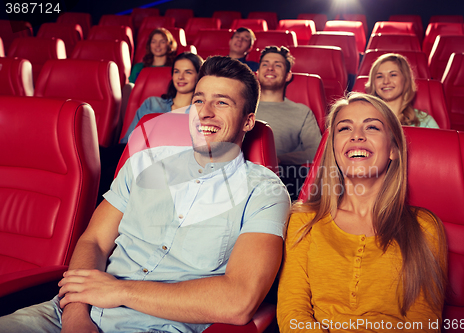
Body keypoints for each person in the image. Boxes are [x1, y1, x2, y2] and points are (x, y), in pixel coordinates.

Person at [0, 56, 290, 333]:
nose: (204, 111)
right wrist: (75, 314)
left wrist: (119, 291)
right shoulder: (144, 162)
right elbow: (95, 242)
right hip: (67, 313)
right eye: (199, 100)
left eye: (222, 102)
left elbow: (238, 300)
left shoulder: (265, 191)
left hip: (160, 325)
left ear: (248, 121)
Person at [277, 93, 447, 332]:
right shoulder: (304, 220)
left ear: (393, 150)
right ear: (333, 150)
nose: (357, 136)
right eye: (344, 128)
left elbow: (424, 321)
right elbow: (292, 313)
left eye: (372, 127)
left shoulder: (424, 227)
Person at [255, 46, 322, 166]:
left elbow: (317, 150)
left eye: (278, 65)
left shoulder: (301, 112)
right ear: (257, 73)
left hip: (282, 175)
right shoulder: (242, 107)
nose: (270, 68)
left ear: (287, 75)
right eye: (265, 64)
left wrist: (278, 159)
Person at [121, 52, 203, 144]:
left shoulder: (200, 112)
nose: (180, 77)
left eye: (188, 72)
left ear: (199, 77)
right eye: (177, 71)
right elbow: (128, 141)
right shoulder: (151, 103)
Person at [365, 53, 440, 128]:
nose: (386, 81)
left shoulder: (425, 121)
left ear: (405, 80)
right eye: (379, 76)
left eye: (393, 75)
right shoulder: (363, 118)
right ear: (373, 83)